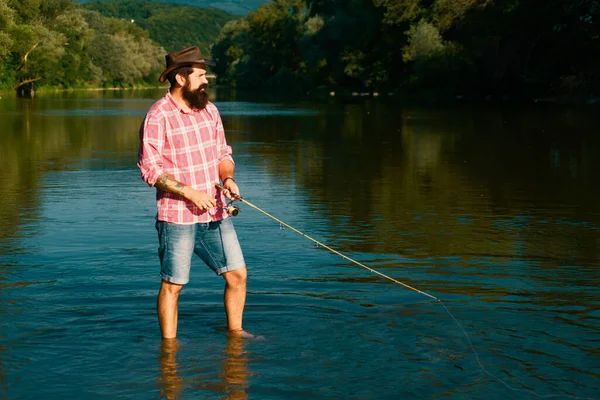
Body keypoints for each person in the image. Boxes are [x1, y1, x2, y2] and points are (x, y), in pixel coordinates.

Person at [138, 45, 250, 340]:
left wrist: (228, 179)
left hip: (216, 211)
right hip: (177, 217)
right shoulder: (158, 116)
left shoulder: (209, 110)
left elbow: (223, 154)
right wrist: (189, 192)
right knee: (173, 286)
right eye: (201, 75)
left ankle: (235, 335)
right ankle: (169, 350)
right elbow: (151, 170)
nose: (206, 80)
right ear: (180, 79)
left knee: (238, 275)